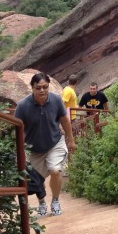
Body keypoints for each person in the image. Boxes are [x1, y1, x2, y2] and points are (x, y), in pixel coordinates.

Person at [14, 72, 76, 217]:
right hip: (33, 148)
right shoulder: (23, 105)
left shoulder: (55, 100)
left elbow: (64, 120)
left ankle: (55, 201)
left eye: (45, 87)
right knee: (37, 178)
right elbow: (16, 128)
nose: (42, 90)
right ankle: (42, 202)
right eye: (38, 88)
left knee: (55, 171)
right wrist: (19, 148)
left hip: (54, 142)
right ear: (32, 88)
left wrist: (71, 140)